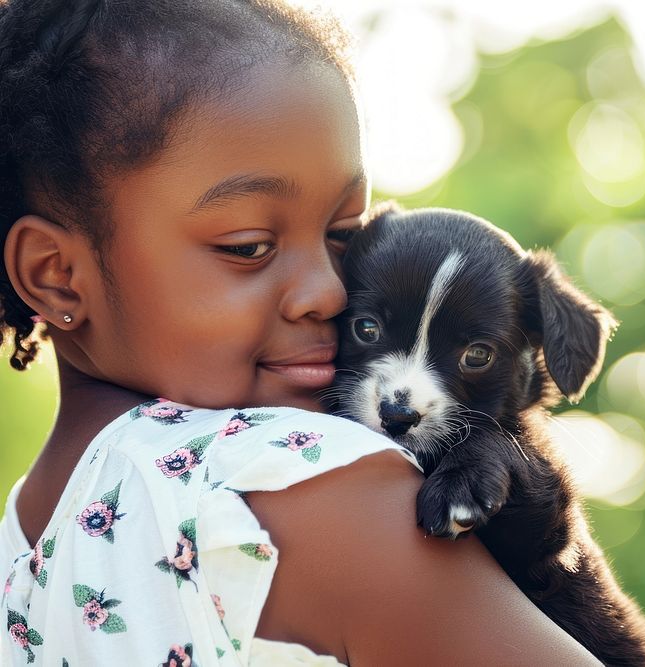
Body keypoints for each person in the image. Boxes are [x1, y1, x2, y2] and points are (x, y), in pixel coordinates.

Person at [0, 1, 604, 664]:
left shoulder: (23, 540)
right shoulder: (305, 482)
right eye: (250, 245)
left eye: (343, 235)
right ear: (57, 276)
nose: (331, 291)